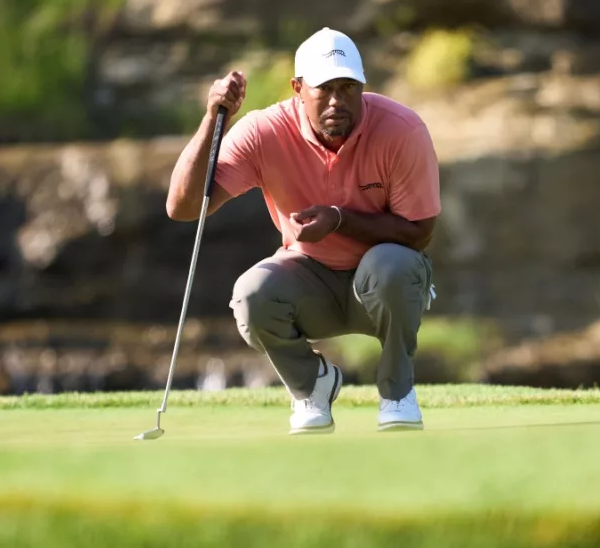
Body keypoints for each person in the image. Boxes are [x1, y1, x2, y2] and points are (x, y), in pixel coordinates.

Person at [165, 27, 441, 435]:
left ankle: (397, 393)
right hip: (309, 280)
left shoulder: (402, 129)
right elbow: (184, 207)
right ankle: (313, 386)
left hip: (383, 285)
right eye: (324, 89)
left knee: (393, 265)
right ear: (297, 89)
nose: (337, 101)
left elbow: (419, 233)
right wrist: (212, 119)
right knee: (252, 294)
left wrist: (340, 219)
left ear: (363, 86)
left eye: (348, 88)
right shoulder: (264, 131)